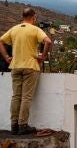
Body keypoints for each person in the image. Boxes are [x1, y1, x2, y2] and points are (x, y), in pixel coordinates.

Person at [0, 7, 52, 135]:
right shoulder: (35, 29)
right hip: (30, 66)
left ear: (23, 17)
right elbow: (48, 41)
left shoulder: (14, 29)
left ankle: (14, 126)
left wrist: (7, 57)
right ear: (33, 17)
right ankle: (23, 125)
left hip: (15, 66)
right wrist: (42, 56)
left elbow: (0, 41)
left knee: (16, 96)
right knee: (26, 97)